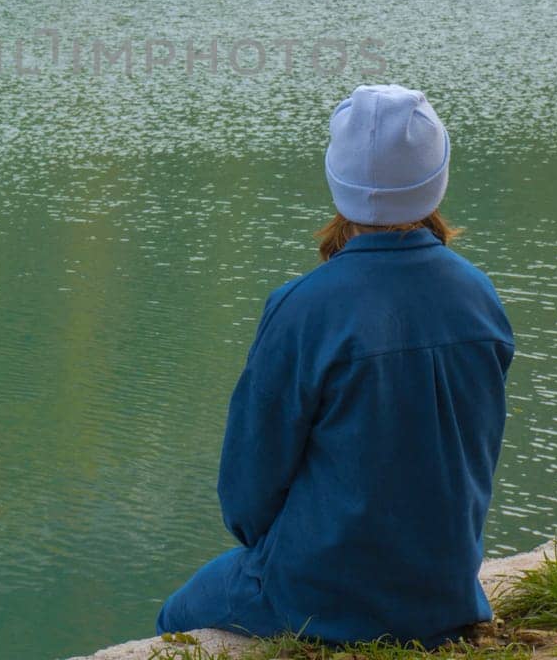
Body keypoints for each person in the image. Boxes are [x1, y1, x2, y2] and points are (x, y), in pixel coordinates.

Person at [156, 84, 515, 648]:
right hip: (445, 591)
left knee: (176, 618)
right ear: (436, 176)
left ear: (338, 180)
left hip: (318, 595)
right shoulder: (479, 297)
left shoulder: (301, 307)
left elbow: (247, 496)